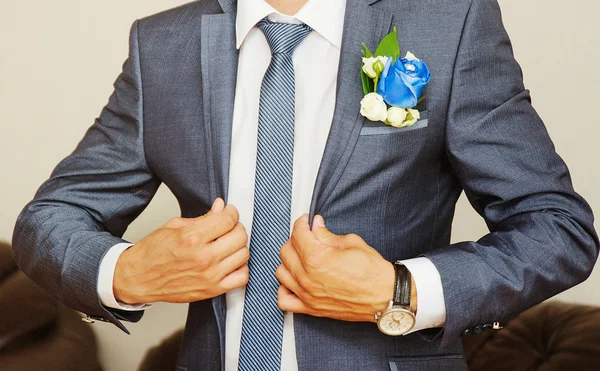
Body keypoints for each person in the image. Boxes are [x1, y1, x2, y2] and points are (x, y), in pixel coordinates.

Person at [12, 0, 599, 370]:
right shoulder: (161, 45)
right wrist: (126, 273)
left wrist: (400, 290)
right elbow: (48, 219)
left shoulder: (452, 22)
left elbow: (558, 227)